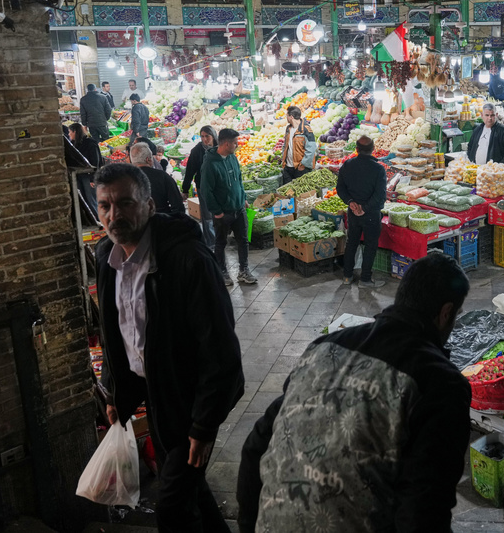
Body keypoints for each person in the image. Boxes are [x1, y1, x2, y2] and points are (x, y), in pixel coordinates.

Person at [235, 251, 471, 533]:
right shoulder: (441, 384)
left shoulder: (322, 347)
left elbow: (256, 446)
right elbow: (423, 511)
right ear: (446, 313)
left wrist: (248, 524)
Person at [94, 163, 243, 532]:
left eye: (125, 203)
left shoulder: (188, 260)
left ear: (149, 205)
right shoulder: (108, 258)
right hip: (154, 394)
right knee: (190, 489)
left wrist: (203, 426)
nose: (114, 215)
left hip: (187, 398)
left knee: (173, 508)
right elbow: (116, 330)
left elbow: (220, 352)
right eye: (105, 206)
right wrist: (114, 390)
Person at [201, 128, 258, 287]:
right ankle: (222, 272)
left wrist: (243, 198)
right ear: (226, 144)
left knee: (243, 240)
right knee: (221, 243)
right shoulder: (210, 164)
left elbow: (239, 179)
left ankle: (244, 271)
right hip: (223, 213)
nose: (237, 145)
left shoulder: (232, 157)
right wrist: (217, 211)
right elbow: (206, 190)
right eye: (235, 143)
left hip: (239, 208)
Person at [337, 135, 387, 287]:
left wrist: (350, 202)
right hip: (371, 213)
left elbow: (340, 188)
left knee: (352, 242)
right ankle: (365, 279)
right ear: (373, 149)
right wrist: (365, 208)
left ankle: (347, 276)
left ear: (357, 149)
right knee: (370, 245)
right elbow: (380, 196)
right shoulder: (378, 169)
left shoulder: (347, 165)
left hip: (353, 213)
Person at [181, 126, 217, 250]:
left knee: (219, 214)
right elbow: (190, 171)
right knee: (207, 216)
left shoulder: (220, 147)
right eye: (202, 136)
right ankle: (211, 243)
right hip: (203, 187)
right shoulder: (197, 151)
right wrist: (185, 189)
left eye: (207, 136)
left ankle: (219, 239)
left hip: (219, 186)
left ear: (213, 136)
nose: (205, 139)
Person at [130, 143, 186, 215]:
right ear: (148, 159)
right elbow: (178, 205)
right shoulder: (163, 176)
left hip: (137, 220)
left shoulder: (126, 180)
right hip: (162, 218)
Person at [69, 122, 102, 217]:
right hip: (79, 176)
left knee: (92, 200)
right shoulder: (74, 144)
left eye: (70, 132)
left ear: (75, 132)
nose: (69, 134)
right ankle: (92, 219)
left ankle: (99, 220)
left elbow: (96, 161)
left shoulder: (90, 143)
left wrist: (93, 178)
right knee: (84, 200)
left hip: (89, 176)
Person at [280, 105, 316, 184]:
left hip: (300, 168)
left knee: (300, 190)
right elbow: (285, 146)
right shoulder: (288, 129)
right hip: (288, 167)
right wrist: (283, 159)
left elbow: (311, 149)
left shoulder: (305, 130)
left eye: (287, 115)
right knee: (287, 189)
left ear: (291, 117)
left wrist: (303, 164)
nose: (286, 118)